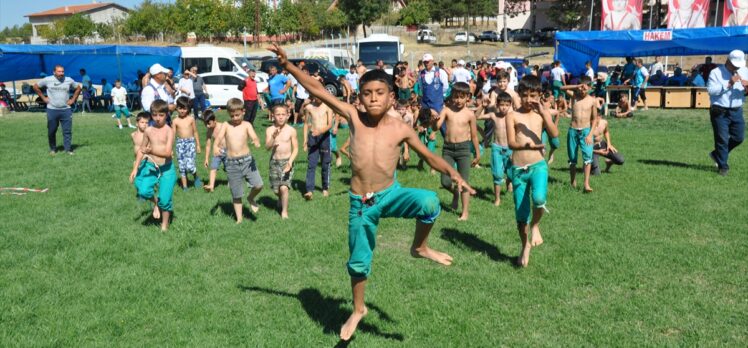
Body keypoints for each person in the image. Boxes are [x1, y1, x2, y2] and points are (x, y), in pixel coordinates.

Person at [268, 43, 474, 342]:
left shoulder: (400, 128)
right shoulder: (353, 116)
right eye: (367, 93)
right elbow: (317, 87)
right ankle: (359, 308)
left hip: (391, 193)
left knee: (429, 202)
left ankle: (420, 247)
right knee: (359, 262)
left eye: (380, 93)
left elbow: (429, 157)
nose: (373, 98)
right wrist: (288, 66)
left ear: (392, 97)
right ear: (359, 97)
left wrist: (452, 172)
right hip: (361, 203)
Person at [505, 75, 559, 267]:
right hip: (518, 170)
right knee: (521, 218)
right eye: (525, 95)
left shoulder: (540, 114)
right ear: (519, 95)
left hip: (538, 166)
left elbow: (555, 134)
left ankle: (535, 225)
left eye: (533, 95)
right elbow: (511, 142)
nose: (528, 99)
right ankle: (524, 245)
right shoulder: (512, 115)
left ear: (539, 95)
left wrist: (545, 114)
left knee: (539, 198)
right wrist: (525, 144)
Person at [212, 98, 263, 223]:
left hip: (247, 161)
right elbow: (218, 138)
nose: (235, 118)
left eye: (237, 115)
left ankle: (251, 198)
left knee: (259, 184)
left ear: (243, 112)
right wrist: (215, 146)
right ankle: (239, 219)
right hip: (231, 163)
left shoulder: (247, 125)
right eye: (232, 115)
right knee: (236, 193)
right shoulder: (226, 125)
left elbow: (254, 136)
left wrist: (256, 141)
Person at [129, 100, 177, 232]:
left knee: (165, 199)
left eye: (161, 115)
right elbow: (141, 150)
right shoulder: (149, 130)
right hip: (151, 167)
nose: (158, 118)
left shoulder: (169, 131)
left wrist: (151, 151)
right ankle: (156, 203)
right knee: (143, 190)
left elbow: (167, 153)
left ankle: (164, 225)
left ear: (167, 115)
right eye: (155, 115)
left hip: (167, 169)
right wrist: (135, 168)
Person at [435, 82, 480, 221]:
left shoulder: (470, 114)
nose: (458, 100)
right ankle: (455, 193)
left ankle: (464, 212)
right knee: (445, 181)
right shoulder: (446, 110)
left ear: (468, 97)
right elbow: (437, 126)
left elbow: (473, 135)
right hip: (448, 149)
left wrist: (477, 153)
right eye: (455, 97)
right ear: (451, 97)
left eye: (461, 97)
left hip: (463, 149)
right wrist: (434, 121)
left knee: (464, 181)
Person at [706, 49, 748, 176]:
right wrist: (729, 83)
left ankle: (716, 154)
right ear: (728, 60)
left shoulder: (745, 71)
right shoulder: (716, 72)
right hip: (720, 111)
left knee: (739, 137)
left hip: (736, 110)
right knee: (722, 139)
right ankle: (723, 166)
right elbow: (711, 91)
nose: (737, 67)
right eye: (734, 64)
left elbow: (744, 93)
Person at [33, 65, 81, 155]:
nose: (61, 73)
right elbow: (35, 87)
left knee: (67, 131)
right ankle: (53, 149)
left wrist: (73, 99)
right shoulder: (47, 79)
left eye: (62, 71)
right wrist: (43, 98)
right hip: (52, 109)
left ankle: (68, 149)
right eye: (59, 71)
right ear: (54, 72)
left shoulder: (69, 80)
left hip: (66, 110)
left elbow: (78, 88)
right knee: (51, 131)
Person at [476, 91, 513, 206]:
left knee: (511, 173)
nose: (504, 108)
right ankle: (497, 199)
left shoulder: (512, 117)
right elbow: (476, 117)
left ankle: (509, 186)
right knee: (497, 174)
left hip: (510, 149)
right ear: (497, 105)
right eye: (502, 105)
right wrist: (482, 105)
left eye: (507, 105)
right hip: (497, 148)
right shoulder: (493, 116)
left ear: (510, 105)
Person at [562, 76, 598, 193]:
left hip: (586, 131)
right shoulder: (574, 96)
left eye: (585, 88)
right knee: (572, 159)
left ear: (590, 88)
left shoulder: (592, 100)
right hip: (573, 130)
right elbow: (561, 87)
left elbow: (595, 119)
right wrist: (576, 86)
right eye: (581, 88)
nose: (582, 90)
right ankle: (573, 181)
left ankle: (586, 184)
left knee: (587, 158)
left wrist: (590, 134)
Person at [265, 104, 298, 219]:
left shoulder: (291, 130)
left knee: (284, 187)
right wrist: (273, 137)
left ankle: (284, 212)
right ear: (273, 115)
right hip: (274, 162)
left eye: (283, 114)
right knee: (276, 189)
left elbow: (296, 148)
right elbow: (267, 147)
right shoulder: (269, 130)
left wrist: (290, 162)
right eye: (278, 114)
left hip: (287, 162)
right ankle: (279, 197)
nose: (280, 117)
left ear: (288, 115)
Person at [302, 96, 333, 200]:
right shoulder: (309, 107)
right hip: (313, 137)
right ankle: (309, 190)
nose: (317, 98)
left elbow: (330, 125)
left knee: (325, 163)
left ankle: (325, 187)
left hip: (324, 137)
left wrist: (320, 132)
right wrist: (305, 140)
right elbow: (306, 124)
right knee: (311, 164)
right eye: (314, 96)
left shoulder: (328, 106)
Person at [173, 96, 202, 190]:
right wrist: (170, 149)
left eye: (184, 108)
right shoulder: (175, 121)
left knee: (189, 166)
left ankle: (196, 177)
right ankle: (185, 187)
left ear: (188, 108)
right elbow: (173, 135)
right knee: (182, 166)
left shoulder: (191, 119)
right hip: (180, 144)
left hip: (190, 143)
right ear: (176, 108)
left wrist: (198, 145)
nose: (182, 111)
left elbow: (195, 132)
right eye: (180, 108)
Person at [419, 53, 449, 124]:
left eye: (428, 61)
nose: (426, 63)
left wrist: (439, 96)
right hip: (426, 104)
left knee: (441, 123)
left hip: (438, 103)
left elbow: (445, 87)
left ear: (432, 61)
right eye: (424, 62)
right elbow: (421, 88)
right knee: (425, 124)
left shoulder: (440, 72)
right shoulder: (421, 74)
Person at [202, 110, 224, 192]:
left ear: (215, 120)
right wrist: (206, 158)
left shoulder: (223, 126)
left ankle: (231, 182)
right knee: (213, 168)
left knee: (230, 169)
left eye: (209, 124)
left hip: (228, 151)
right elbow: (208, 145)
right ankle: (211, 186)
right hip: (217, 151)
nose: (207, 126)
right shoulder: (209, 131)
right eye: (205, 124)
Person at [416, 107, 438, 174]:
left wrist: (434, 133)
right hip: (422, 132)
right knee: (420, 151)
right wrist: (418, 127)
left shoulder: (435, 115)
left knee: (430, 151)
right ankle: (421, 160)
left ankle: (433, 168)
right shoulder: (417, 113)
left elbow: (438, 125)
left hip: (431, 130)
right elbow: (413, 125)